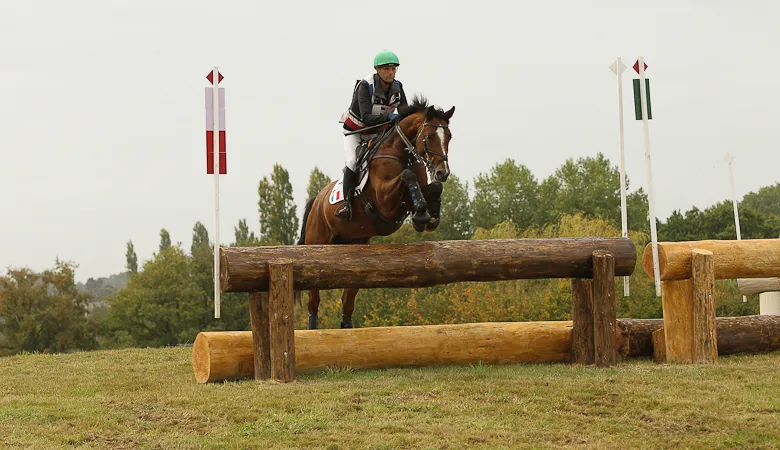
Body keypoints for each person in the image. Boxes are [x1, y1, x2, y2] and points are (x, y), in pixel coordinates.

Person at [336, 50, 409, 219]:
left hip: (377, 133)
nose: (391, 73)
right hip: (356, 132)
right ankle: (346, 203)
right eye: (387, 69)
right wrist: (390, 116)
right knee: (353, 161)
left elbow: (404, 113)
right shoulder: (365, 86)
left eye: (394, 69)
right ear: (377, 69)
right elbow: (367, 118)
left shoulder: (398, 87)